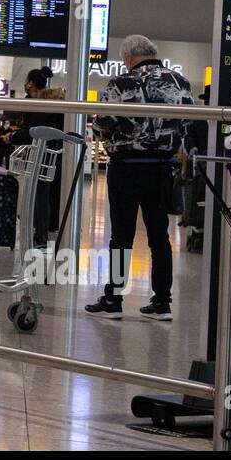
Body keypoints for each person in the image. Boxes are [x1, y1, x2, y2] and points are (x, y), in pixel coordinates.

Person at [86, 34, 194, 321]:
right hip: (163, 169)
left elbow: (102, 126)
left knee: (121, 235)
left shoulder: (122, 84)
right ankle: (161, 302)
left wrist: (102, 130)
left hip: (127, 167)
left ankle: (114, 299)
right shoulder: (180, 83)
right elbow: (187, 123)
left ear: (129, 57)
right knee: (160, 237)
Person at [3, 66, 66, 244]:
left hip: (40, 153)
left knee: (40, 194)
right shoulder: (55, 102)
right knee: (48, 192)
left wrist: (13, 136)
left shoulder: (38, 104)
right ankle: (46, 227)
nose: (24, 84)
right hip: (54, 153)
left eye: (26, 81)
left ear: (31, 83)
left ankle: (41, 233)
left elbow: (32, 131)